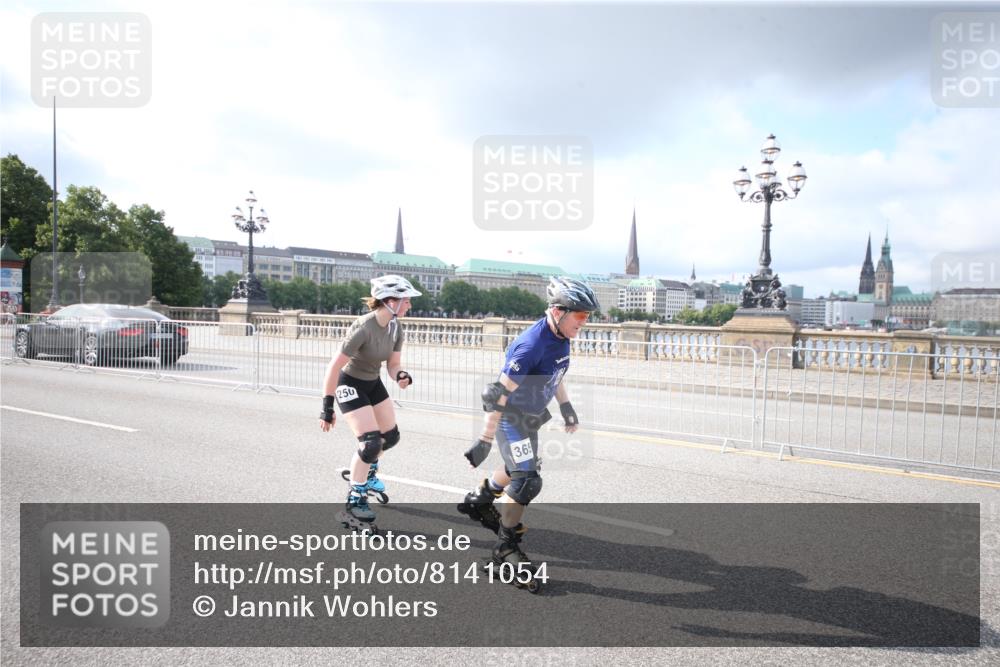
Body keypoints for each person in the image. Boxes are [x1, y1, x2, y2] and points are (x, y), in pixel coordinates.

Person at [459, 276, 599, 571]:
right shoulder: (531, 345)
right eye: (581, 315)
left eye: (587, 316)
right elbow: (496, 394)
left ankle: (481, 498)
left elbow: (555, 375)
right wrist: (485, 440)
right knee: (527, 480)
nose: (584, 322)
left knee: (518, 468)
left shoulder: (561, 338)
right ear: (559, 312)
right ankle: (503, 549)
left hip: (530, 417)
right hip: (510, 417)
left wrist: (566, 406)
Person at [319, 275, 420, 530]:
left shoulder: (396, 327)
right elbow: (334, 366)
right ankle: (354, 501)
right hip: (350, 384)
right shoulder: (363, 328)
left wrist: (400, 376)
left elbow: (393, 364)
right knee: (371, 444)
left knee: (391, 437)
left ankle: (367, 472)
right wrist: (327, 407)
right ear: (389, 301)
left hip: (372, 383)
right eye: (405, 300)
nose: (409, 305)